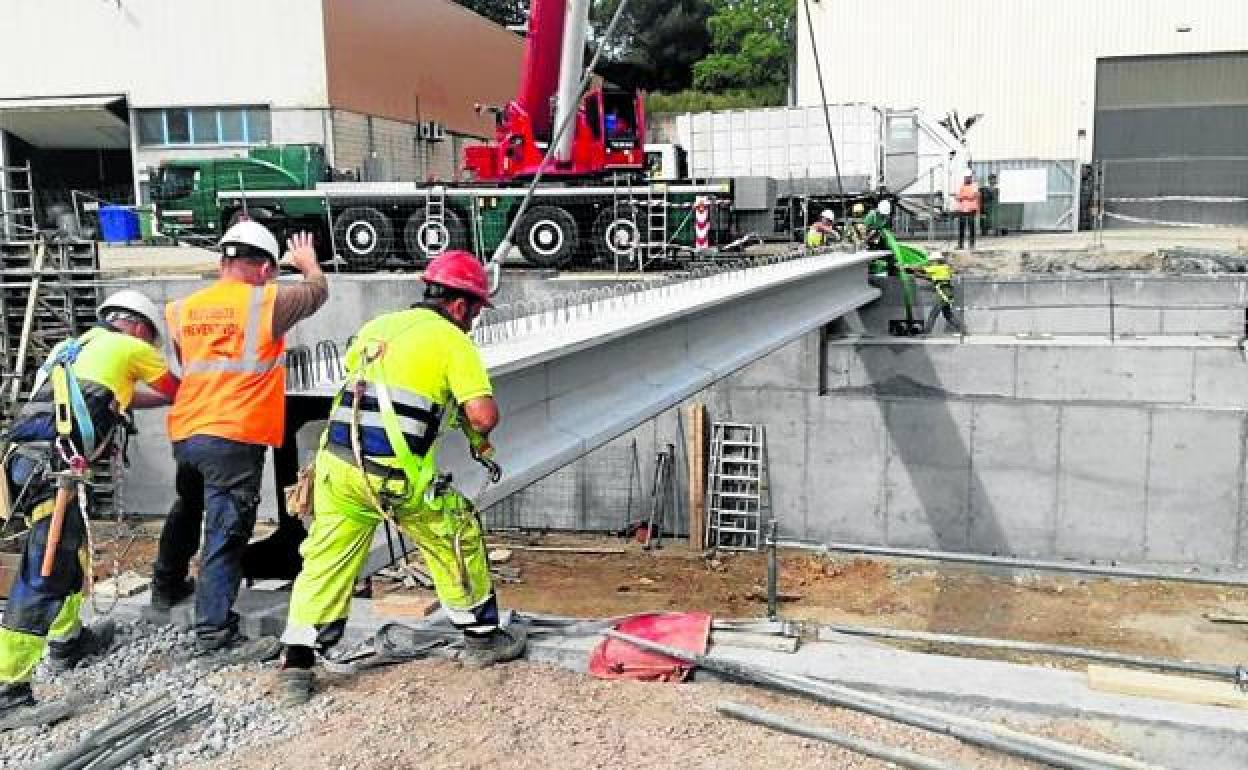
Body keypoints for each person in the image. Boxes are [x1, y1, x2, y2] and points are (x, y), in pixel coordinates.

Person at [276, 249, 524, 706]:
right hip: (394, 476)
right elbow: (483, 416)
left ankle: (297, 663)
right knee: (455, 533)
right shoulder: (453, 341)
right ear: (458, 306)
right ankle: (482, 639)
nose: (472, 323)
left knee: (326, 559)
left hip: (336, 468)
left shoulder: (377, 328)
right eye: (473, 314)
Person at [150, 221, 327, 658]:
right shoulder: (266, 302)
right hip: (235, 434)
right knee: (227, 532)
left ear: (222, 262)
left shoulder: (182, 309)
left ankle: (167, 587)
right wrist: (307, 263)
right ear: (265, 268)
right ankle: (214, 633)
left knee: (187, 510)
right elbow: (316, 293)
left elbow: (191, 362)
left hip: (189, 430)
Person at [0, 291, 178, 710]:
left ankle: (67, 641)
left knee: (71, 551)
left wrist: (122, 402)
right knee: (44, 571)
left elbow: (113, 396)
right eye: (150, 340)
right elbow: (173, 390)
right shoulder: (132, 347)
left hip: (22, 463)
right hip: (52, 470)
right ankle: (9, 686)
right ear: (139, 328)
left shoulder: (72, 346)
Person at [916, 253, 962, 333]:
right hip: (947, 294)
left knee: (933, 314)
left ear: (936, 261)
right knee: (948, 315)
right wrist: (919, 275)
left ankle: (926, 332)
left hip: (943, 295)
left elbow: (921, 269)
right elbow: (934, 278)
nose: (930, 263)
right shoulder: (944, 268)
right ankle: (963, 330)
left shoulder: (937, 268)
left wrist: (905, 267)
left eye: (931, 261)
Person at [956, 173, 981, 250]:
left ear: (971, 178)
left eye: (968, 178)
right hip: (962, 209)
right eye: (966, 178)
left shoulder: (975, 186)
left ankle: (972, 245)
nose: (967, 179)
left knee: (971, 227)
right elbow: (958, 197)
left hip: (971, 209)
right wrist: (965, 196)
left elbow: (974, 196)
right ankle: (960, 245)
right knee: (961, 228)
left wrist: (964, 196)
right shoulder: (961, 186)